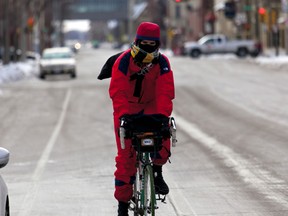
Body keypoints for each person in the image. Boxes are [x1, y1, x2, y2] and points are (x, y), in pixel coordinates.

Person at [109, 22, 175, 216]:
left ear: (158, 44)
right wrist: (124, 117)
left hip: (152, 107)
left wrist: (163, 117)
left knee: (163, 140)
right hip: (127, 110)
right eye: (143, 43)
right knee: (126, 159)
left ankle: (157, 172)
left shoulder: (162, 63)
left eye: (151, 44)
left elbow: (165, 91)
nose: (147, 47)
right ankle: (122, 205)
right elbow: (117, 92)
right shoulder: (122, 61)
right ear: (137, 41)